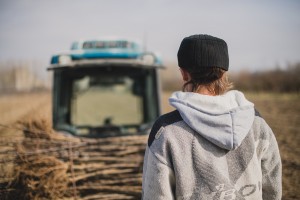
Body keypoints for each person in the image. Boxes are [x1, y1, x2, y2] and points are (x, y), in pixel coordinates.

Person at [142, 34, 282, 200]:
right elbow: (272, 188)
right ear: (223, 74)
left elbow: (156, 194)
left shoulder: (166, 131)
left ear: (184, 74)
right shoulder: (257, 123)